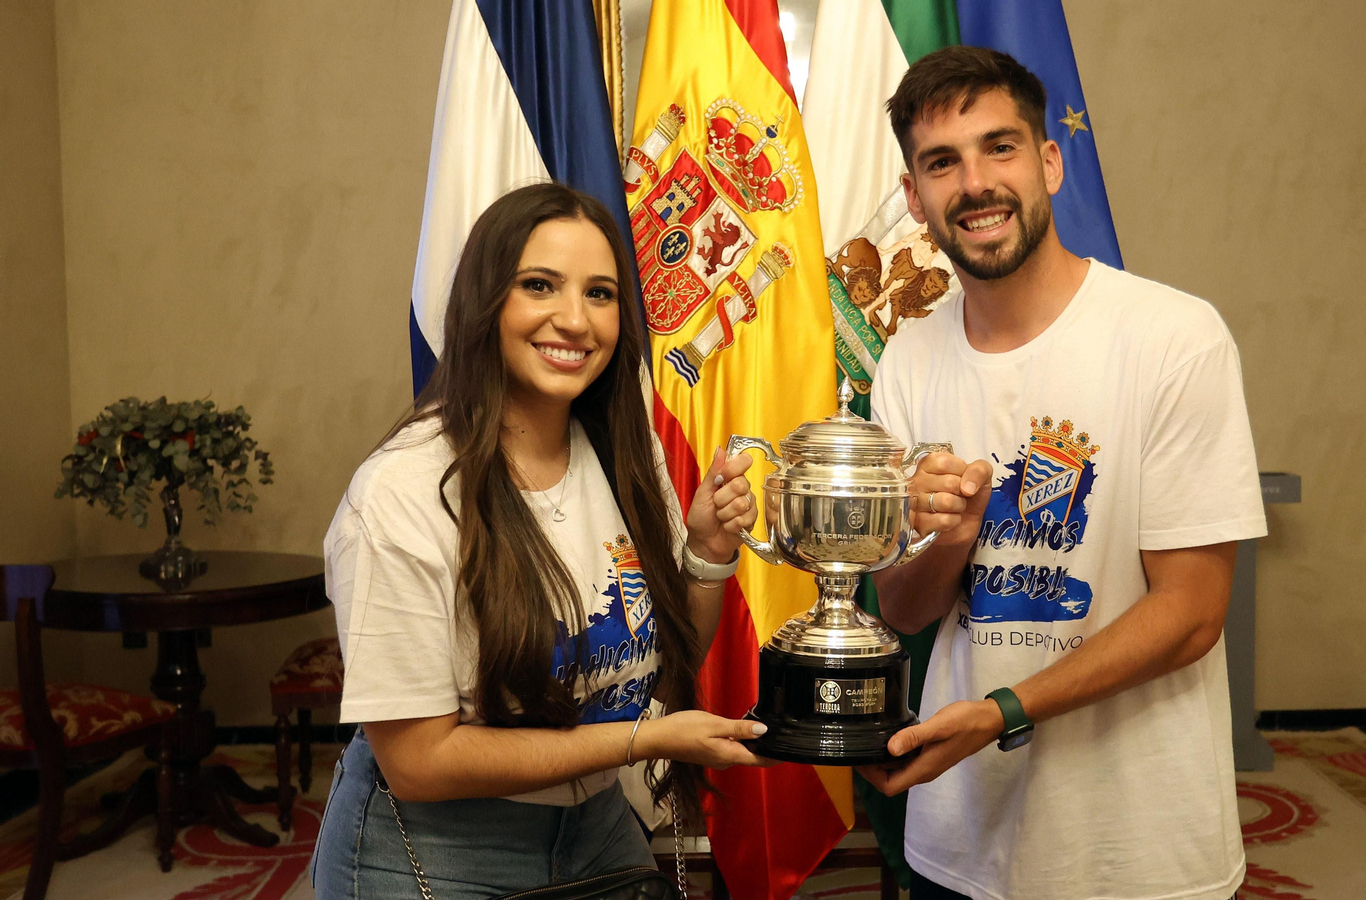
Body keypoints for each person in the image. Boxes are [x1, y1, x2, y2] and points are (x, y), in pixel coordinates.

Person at [856, 48, 1267, 900]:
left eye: (999, 148)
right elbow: (900, 606)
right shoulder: (905, 358)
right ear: (914, 198)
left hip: (1140, 853)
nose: (974, 183)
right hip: (961, 841)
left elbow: (1192, 613)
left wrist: (1004, 712)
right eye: (942, 162)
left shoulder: (1173, 338)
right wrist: (953, 539)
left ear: (1048, 162)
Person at [312, 183, 768, 899]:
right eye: (539, 286)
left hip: (598, 825)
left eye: (600, 294)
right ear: (486, 302)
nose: (575, 320)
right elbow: (419, 762)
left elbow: (662, 659)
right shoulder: (399, 493)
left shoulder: (624, 452)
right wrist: (640, 742)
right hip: (438, 850)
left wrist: (707, 551)